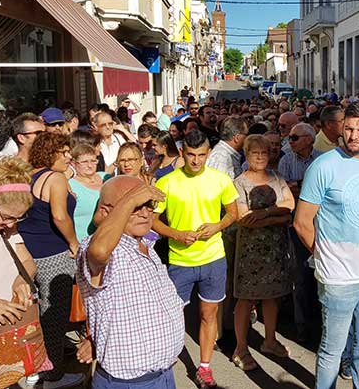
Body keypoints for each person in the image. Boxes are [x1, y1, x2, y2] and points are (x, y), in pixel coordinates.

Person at [293, 102, 359, 389]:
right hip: (338, 279)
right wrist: (324, 257)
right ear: (340, 129)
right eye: (349, 128)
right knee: (331, 351)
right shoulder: (323, 166)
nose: (353, 135)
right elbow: (301, 222)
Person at [75, 176, 183, 389]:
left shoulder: (144, 244)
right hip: (129, 384)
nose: (144, 213)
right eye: (135, 207)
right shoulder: (99, 248)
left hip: (162, 375)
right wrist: (129, 200)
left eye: (148, 205)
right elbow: (99, 251)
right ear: (107, 212)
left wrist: (99, 335)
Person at [152, 130, 239, 389]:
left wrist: (216, 226)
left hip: (213, 258)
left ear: (208, 154)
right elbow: (154, 221)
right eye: (191, 155)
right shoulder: (166, 183)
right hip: (179, 260)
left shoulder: (221, 179)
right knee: (172, 316)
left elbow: (233, 213)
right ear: (182, 153)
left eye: (201, 155)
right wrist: (176, 233)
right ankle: (165, 362)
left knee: (208, 314)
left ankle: (204, 367)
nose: (196, 161)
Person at [16, 132, 84, 388]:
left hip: (31, 254)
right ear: (50, 153)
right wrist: (74, 242)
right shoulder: (54, 178)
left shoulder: (31, 174)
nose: (69, 157)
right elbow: (59, 216)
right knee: (55, 317)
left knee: (39, 315)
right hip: (55, 255)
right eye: (64, 152)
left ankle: (35, 368)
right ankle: (53, 374)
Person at [229, 135, 295, 371]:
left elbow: (291, 205)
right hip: (250, 251)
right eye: (254, 153)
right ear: (246, 155)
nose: (260, 157)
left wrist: (267, 213)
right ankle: (241, 347)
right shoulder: (239, 183)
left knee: (271, 295)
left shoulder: (276, 177)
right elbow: (245, 219)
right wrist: (279, 217)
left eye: (264, 153)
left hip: (275, 248)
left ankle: (269, 340)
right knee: (246, 298)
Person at [0, 158, 38, 388]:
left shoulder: (6, 231)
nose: (12, 223)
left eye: (18, 218)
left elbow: (27, 262)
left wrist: (21, 279)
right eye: (7, 216)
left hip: (9, 338)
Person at [69, 144, 108, 242]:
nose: (90, 165)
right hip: (83, 240)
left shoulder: (106, 177)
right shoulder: (70, 185)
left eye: (93, 161)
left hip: (108, 238)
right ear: (74, 164)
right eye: (84, 162)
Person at [278, 123, 321, 198]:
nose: (290, 141)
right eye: (289, 138)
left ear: (308, 139)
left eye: (295, 138)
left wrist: (296, 184)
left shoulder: (322, 159)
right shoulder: (286, 161)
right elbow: (283, 190)